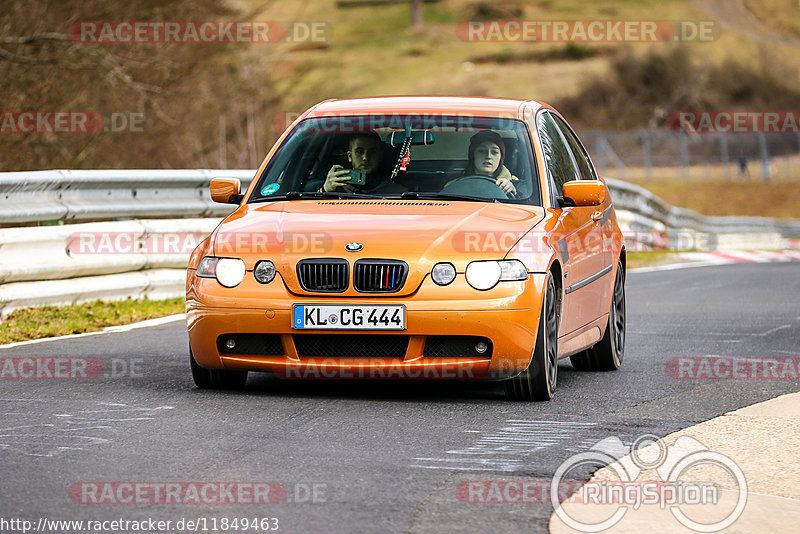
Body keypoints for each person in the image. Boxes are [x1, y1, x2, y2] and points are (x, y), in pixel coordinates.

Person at [321, 132, 407, 194]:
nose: (365, 157)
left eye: (372, 152)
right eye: (359, 151)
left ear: (380, 156)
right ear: (350, 156)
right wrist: (324, 190)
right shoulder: (335, 186)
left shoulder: (397, 193)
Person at [446, 130, 518, 195]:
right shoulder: (453, 186)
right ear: (473, 155)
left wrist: (515, 192)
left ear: (501, 158)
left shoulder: (515, 185)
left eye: (494, 152)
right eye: (481, 151)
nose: (488, 156)